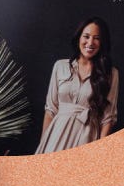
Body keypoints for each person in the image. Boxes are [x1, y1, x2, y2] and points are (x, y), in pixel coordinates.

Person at [35, 19, 119, 153]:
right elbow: (50, 110)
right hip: (56, 136)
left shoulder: (111, 74)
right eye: (86, 36)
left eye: (96, 38)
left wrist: (98, 152)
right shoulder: (60, 66)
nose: (90, 43)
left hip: (87, 138)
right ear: (79, 37)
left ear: (102, 43)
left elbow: (108, 118)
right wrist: (44, 143)